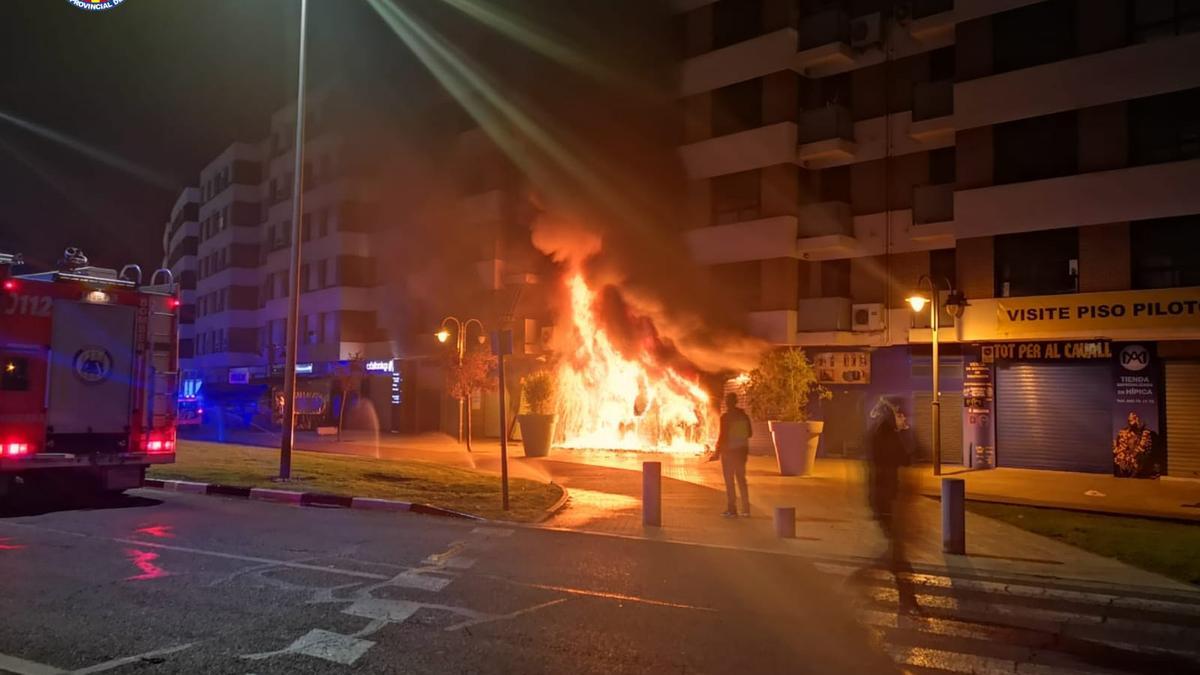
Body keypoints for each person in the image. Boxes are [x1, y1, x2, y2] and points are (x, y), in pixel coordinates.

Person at [864, 395, 919, 612]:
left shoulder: (879, 433)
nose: (903, 417)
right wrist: (905, 433)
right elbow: (905, 458)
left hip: (883, 497)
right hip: (886, 498)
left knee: (896, 551)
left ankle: (907, 599)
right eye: (899, 413)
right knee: (897, 552)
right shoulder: (886, 435)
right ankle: (907, 599)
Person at [716, 392, 753, 517]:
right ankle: (746, 509)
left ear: (727, 403)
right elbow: (750, 433)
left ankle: (732, 509)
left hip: (729, 453)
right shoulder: (744, 416)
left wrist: (717, 452)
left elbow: (722, 436)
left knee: (730, 481)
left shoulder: (726, 417)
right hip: (742, 451)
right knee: (742, 480)